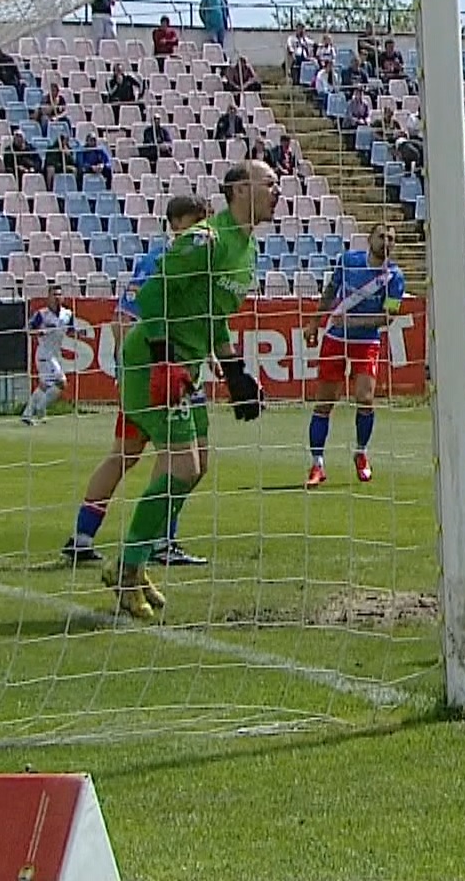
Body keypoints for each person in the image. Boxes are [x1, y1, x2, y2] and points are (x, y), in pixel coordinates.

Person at [105, 161, 276, 618]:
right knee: (182, 466)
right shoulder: (206, 239)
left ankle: (132, 562)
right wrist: (163, 356)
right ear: (240, 190)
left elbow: (211, 315)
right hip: (154, 363)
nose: (278, 191)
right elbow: (151, 293)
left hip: (188, 367)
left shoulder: (246, 249)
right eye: (269, 184)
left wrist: (235, 371)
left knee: (195, 467)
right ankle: (126, 570)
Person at [63, 197, 213, 566]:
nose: (204, 234)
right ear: (176, 224)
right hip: (158, 380)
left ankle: (82, 538)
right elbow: (122, 321)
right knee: (178, 458)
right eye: (195, 225)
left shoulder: (191, 269)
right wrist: (145, 370)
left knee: (130, 456)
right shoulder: (159, 263)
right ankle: (160, 542)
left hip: (173, 375)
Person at [304, 224, 406, 488]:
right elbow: (330, 292)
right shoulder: (348, 261)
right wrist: (315, 322)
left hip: (366, 341)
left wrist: (355, 322)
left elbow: (389, 316)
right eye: (382, 236)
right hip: (336, 339)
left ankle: (361, 453)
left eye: (391, 239)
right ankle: (317, 464)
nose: (386, 242)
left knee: (365, 398)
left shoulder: (394, 277)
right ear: (370, 239)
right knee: (325, 402)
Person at [21, 285, 74, 426]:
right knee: (60, 382)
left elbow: (70, 331)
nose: (57, 297)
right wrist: (40, 332)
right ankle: (36, 409)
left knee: (46, 384)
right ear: (48, 297)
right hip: (44, 354)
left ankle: (31, 412)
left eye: (59, 294)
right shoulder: (42, 314)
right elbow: (28, 329)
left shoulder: (67, 314)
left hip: (55, 355)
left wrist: (80, 333)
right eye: (54, 295)